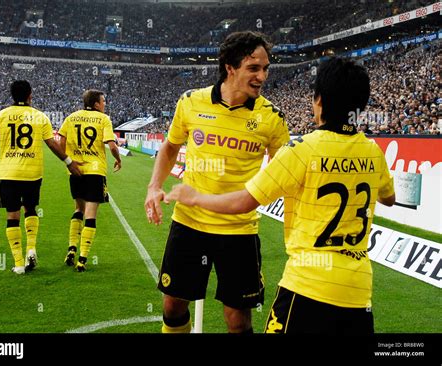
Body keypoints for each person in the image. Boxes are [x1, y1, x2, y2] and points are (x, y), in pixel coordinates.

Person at [166, 57, 396, 334]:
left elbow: (244, 201)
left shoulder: (302, 150)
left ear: (319, 101)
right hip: (358, 292)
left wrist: (195, 197)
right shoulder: (373, 152)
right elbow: (389, 198)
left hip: (307, 286)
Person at [144, 31, 290, 333]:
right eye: (254, 68)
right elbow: (170, 147)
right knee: (173, 305)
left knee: (237, 320)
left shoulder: (272, 118)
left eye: (265, 68)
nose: (262, 76)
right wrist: (153, 187)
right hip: (189, 223)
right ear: (230, 67)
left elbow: (284, 171)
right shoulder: (191, 102)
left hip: (239, 230)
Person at [0, 80, 82, 274]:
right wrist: (69, 162)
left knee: (12, 215)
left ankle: (19, 264)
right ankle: (31, 248)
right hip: (32, 173)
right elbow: (52, 144)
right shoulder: (39, 117)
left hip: (8, 173)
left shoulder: (1, 115)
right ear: (30, 94)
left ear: (12, 95)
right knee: (30, 209)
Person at [59, 89, 121, 272]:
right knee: (91, 214)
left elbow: (61, 141)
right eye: (103, 101)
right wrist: (118, 158)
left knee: (78, 209)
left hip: (76, 170)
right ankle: (83, 259)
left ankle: (71, 248)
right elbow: (111, 145)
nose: (104, 104)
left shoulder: (71, 118)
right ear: (96, 104)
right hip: (95, 171)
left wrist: (68, 161)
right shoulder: (104, 119)